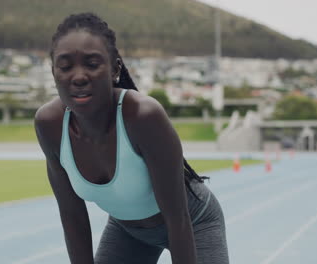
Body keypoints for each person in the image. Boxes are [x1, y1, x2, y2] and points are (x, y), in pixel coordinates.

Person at [34, 12, 229, 264]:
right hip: (128, 231)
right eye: (65, 66)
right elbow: (73, 217)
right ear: (53, 72)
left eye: (92, 64)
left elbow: (177, 218)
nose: (79, 76)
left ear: (115, 69)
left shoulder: (143, 116)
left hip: (193, 222)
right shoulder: (49, 124)